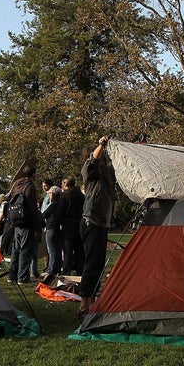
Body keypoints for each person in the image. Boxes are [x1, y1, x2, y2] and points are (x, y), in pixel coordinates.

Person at [78, 135, 117, 317]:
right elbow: (91, 162)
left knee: (99, 264)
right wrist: (101, 145)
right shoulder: (91, 173)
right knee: (92, 263)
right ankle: (84, 303)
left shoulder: (105, 176)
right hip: (90, 220)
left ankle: (92, 299)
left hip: (101, 223)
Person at [6, 164, 41, 285]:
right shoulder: (29, 186)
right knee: (25, 250)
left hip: (16, 221)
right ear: (33, 174)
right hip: (27, 222)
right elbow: (32, 208)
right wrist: (37, 226)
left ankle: (12, 275)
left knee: (15, 250)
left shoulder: (16, 185)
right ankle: (23, 277)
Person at [58, 176, 85, 275]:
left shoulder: (64, 196)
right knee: (79, 250)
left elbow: (60, 211)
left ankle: (66, 271)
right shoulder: (81, 196)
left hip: (67, 226)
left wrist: (58, 222)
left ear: (66, 185)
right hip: (79, 225)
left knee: (67, 251)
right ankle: (80, 270)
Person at [42, 185, 64, 278]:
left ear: (54, 194)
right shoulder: (62, 205)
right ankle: (58, 269)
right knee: (58, 249)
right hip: (59, 229)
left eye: (50, 194)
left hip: (51, 228)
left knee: (52, 250)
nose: (49, 196)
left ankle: (51, 270)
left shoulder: (52, 205)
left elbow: (43, 214)